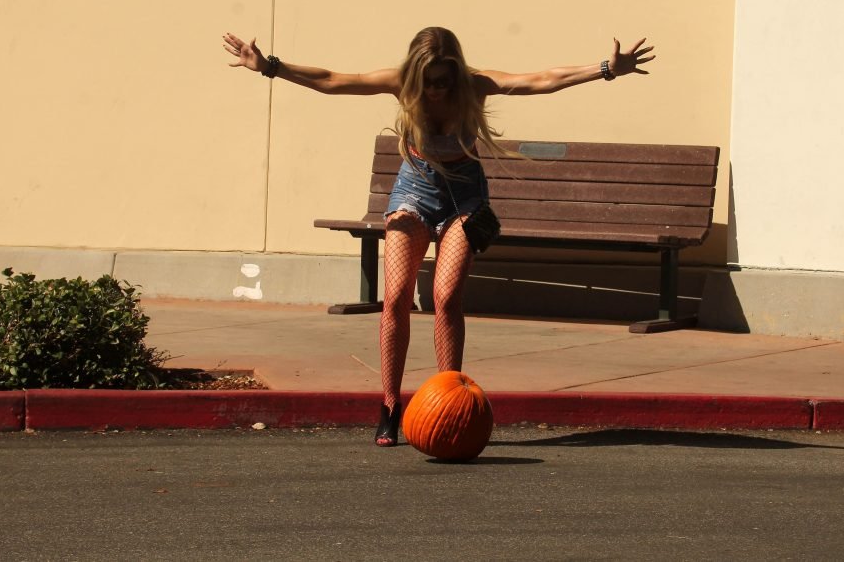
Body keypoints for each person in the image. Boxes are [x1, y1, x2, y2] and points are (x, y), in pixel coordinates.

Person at [222, 27, 654, 446]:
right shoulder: (401, 83)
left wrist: (605, 69)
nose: (434, 90)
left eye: (443, 81)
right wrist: (270, 66)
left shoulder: (475, 85)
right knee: (396, 298)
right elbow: (334, 80)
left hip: (466, 198)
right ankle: (390, 405)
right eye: (428, 82)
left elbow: (540, 79)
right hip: (415, 191)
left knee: (446, 298)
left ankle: (451, 400)